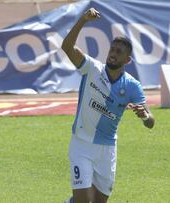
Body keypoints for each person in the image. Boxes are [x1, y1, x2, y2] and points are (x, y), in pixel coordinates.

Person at [61, 8, 155, 203]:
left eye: (119, 52)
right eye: (112, 49)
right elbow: (67, 47)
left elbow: (151, 122)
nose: (113, 54)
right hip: (81, 144)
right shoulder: (91, 68)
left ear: (127, 60)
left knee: (100, 201)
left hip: (107, 149)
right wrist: (83, 20)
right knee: (83, 200)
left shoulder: (132, 85)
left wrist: (144, 115)